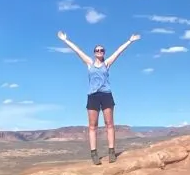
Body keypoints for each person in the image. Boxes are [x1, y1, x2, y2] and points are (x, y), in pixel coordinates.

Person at [56, 29, 141, 164]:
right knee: (92, 126)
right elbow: (77, 51)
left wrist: (129, 41)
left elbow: (118, 52)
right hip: (93, 96)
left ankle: (111, 151)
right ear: (94, 52)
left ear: (104, 53)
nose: (100, 52)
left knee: (109, 124)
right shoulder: (89, 63)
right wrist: (65, 40)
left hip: (106, 95)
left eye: (102, 50)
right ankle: (94, 154)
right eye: (97, 50)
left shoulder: (107, 64)